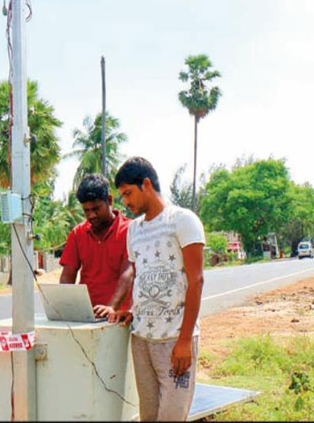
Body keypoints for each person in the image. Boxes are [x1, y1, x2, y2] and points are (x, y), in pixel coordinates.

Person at [111, 157, 205, 422]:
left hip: (175, 340)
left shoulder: (183, 220)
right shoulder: (134, 231)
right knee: (149, 416)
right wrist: (130, 310)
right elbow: (140, 276)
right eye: (122, 196)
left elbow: (196, 281)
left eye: (128, 193)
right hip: (141, 340)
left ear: (147, 184)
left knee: (172, 416)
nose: (126, 202)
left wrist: (185, 340)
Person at [59, 174, 133, 315]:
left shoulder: (130, 230)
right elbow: (68, 275)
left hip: (120, 318)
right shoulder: (78, 233)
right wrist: (63, 308)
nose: (91, 215)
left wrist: (111, 308)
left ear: (109, 200)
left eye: (96, 209)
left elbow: (128, 273)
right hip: (88, 317)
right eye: (86, 210)